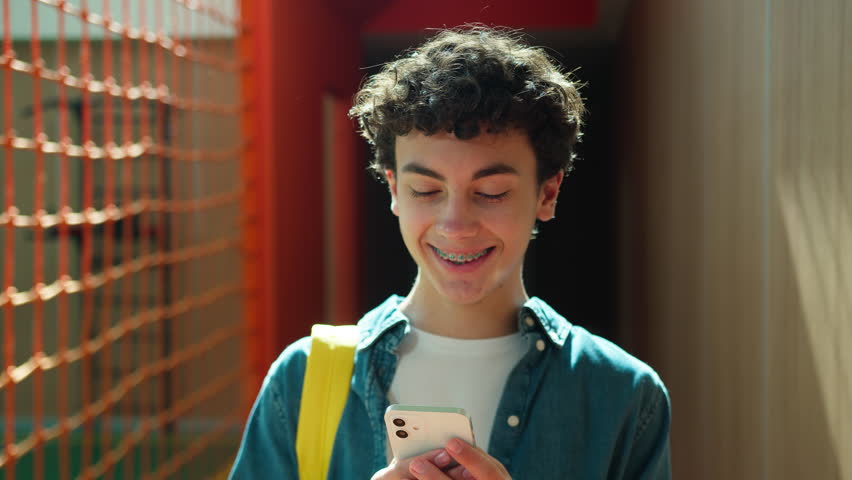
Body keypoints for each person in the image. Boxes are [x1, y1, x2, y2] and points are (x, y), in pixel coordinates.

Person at [230, 26, 671, 479]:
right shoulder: (303, 380)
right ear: (394, 189)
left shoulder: (623, 395)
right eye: (426, 190)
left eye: (492, 192)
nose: (455, 225)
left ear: (547, 192)